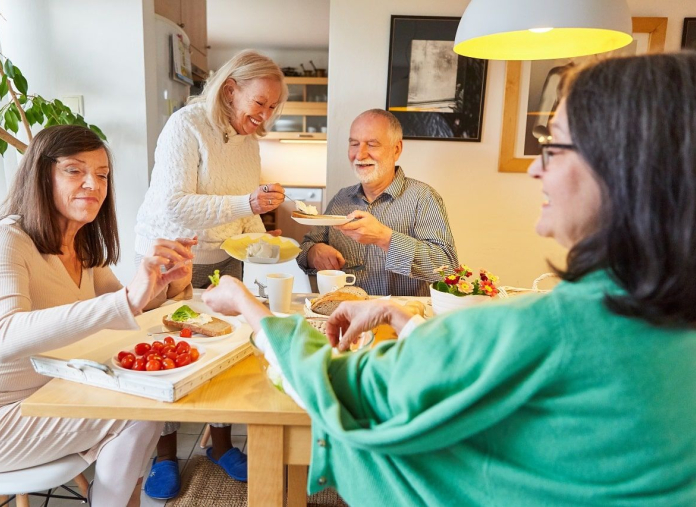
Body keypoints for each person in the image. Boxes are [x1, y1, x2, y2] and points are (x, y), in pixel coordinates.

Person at [202, 53, 696, 505]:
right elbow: (481, 366)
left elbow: (342, 384)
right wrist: (344, 276)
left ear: (624, 167)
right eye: (353, 143)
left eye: (555, 146)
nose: (535, 171)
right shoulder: (669, 326)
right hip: (380, 330)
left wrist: (247, 302)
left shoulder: (546, 324)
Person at [0, 125, 196, 506]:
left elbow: (125, 310)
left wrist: (166, 283)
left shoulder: (81, 245)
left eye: (103, 174)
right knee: (139, 410)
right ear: (42, 175)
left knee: (145, 406)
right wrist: (128, 300)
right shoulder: (7, 239)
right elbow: (3, 340)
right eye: (75, 170)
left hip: (48, 398)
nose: (94, 183)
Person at [133, 49, 288, 494]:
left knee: (227, 348)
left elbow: (247, 211)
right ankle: (164, 455)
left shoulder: (249, 143)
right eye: (259, 103)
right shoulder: (186, 126)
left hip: (223, 259)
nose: (265, 115)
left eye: (273, 107)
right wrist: (248, 204)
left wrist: (269, 243)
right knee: (163, 352)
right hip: (169, 261)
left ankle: (219, 445)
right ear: (231, 89)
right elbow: (173, 203)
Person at [296, 108, 458, 297]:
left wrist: (385, 238)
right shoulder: (340, 199)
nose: (360, 154)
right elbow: (304, 249)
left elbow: (447, 268)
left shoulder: (423, 198)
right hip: (344, 317)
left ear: (396, 150)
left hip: (400, 320)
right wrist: (313, 252)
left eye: (372, 144)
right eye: (354, 144)